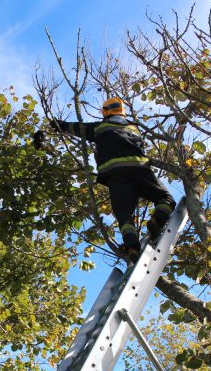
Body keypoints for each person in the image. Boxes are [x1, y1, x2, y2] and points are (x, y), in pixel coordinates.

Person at [49, 97, 175, 262]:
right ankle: (157, 220)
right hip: (140, 169)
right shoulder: (134, 128)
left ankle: (131, 247)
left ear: (105, 112)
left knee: (124, 216)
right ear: (122, 111)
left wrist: (57, 124)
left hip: (116, 176)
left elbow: (75, 128)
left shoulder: (100, 127)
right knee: (166, 199)